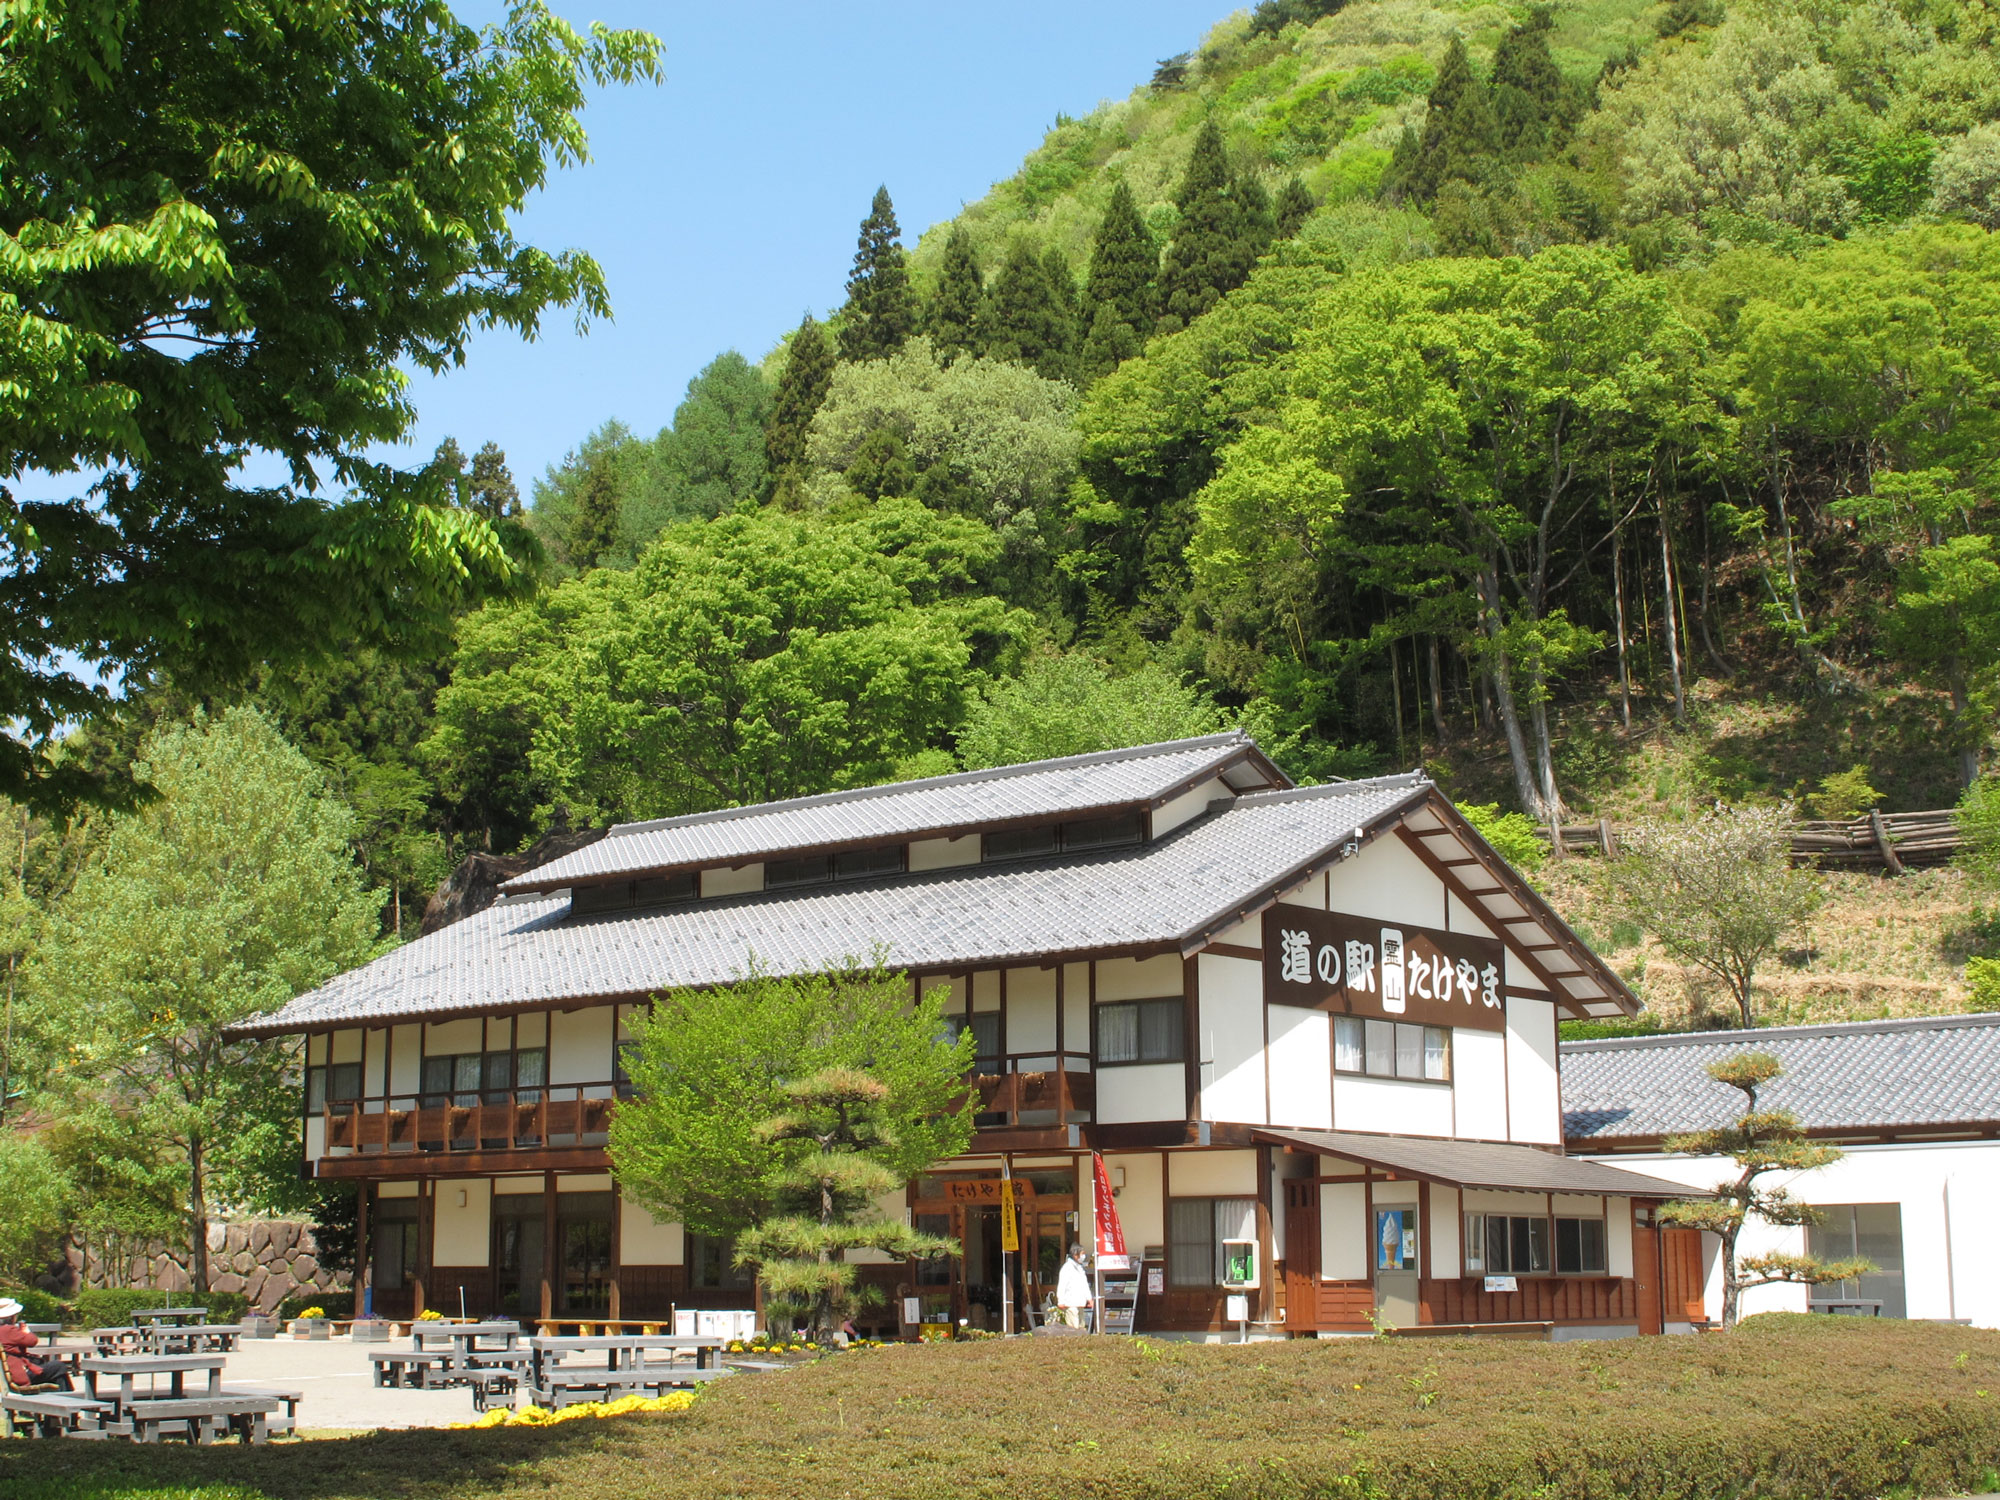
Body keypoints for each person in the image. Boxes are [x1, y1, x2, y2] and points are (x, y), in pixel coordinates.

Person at [0, 1298, 70, 1390]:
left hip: (10, 1371)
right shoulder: (8, 1330)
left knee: (52, 1369)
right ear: (11, 1316)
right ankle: (67, 1396)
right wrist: (26, 1331)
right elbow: (32, 1341)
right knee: (58, 1366)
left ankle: (65, 1395)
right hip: (19, 1374)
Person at [1055, 1242, 1093, 1329]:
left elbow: (1085, 1285)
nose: (1084, 1256)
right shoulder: (1067, 1268)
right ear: (1075, 1255)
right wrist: (1060, 1301)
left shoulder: (1080, 1268)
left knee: (1081, 1328)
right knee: (1073, 1329)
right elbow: (1062, 1285)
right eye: (1082, 1254)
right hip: (1070, 1303)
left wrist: (1089, 1298)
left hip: (1080, 1303)